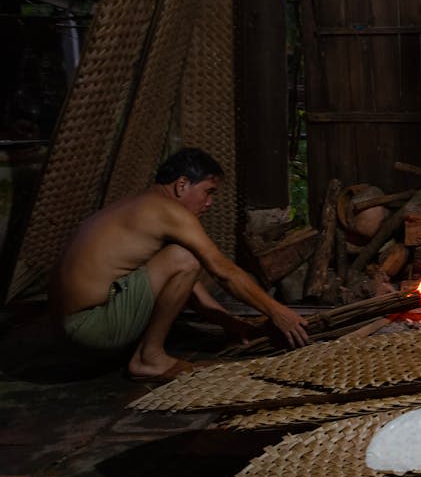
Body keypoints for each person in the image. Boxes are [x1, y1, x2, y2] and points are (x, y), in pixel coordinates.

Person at [49, 148, 310, 382]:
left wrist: (230, 323)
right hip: (92, 326)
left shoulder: (140, 206)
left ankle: (146, 354)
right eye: (208, 191)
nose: (209, 203)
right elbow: (224, 272)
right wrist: (278, 312)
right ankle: (149, 359)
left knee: (180, 259)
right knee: (184, 258)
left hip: (67, 330)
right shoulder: (167, 211)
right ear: (182, 185)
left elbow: (186, 284)